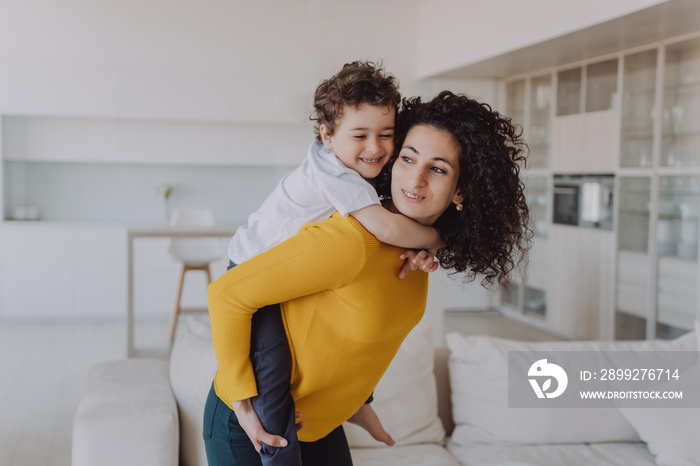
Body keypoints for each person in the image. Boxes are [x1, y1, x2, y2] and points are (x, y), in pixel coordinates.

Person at [205, 90, 532, 466]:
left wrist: (357, 402)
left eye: (438, 168)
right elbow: (225, 294)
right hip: (250, 427)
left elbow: (352, 335)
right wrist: (242, 403)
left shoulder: (416, 254)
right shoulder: (353, 240)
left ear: (461, 191)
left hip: (321, 427)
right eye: (408, 159)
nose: (416, 179)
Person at [224, 61, 443, 466]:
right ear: (327, 136)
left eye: (387, 135)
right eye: (360, 135)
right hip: (249, 268)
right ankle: (271, 443)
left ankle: (355, 404)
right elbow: (386, 227)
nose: (376, 148)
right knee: (273, 372)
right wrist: (440, 238)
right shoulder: (334, 174)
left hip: (281, 273)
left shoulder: (356, 169)